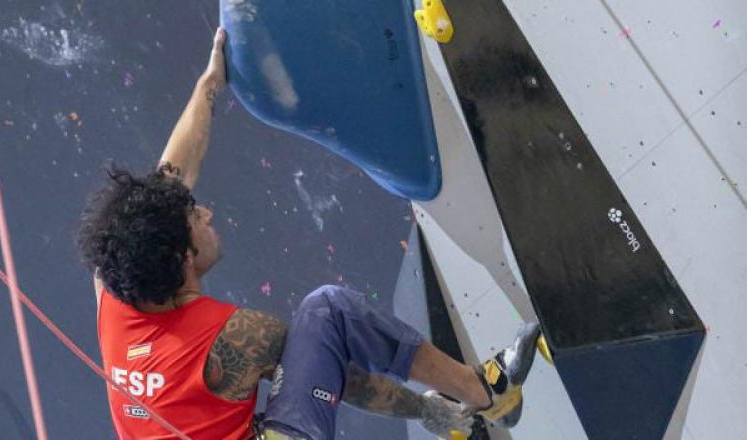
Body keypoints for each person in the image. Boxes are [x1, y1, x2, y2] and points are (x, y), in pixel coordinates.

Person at [77, 28, 540, 440]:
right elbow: (340, 377)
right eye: (196, 218)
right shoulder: (236, 338)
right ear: (184, 259)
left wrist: (209, 85)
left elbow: (169, 179)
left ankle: (485, 396)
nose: (207, 212)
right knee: (330, 311)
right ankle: (487, 394)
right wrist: (428, 411)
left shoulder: (117, 282)